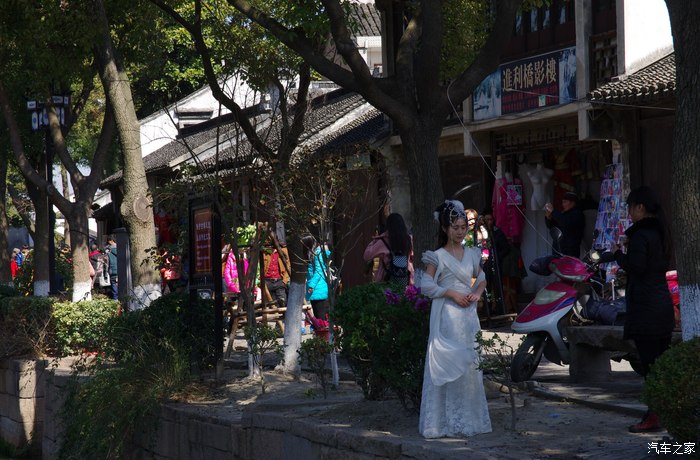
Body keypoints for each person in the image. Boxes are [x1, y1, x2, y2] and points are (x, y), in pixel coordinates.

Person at [418, 199, 491, 438]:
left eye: (463, 227)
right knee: (449, 361)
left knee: (469, 364)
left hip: (468, 316)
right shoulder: (437, 256)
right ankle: (442, 422)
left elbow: (482, 278)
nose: (460, 232)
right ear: (444, 228)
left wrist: (477, 293)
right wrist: (450, 293)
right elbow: (426, 285)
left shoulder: (471, 253)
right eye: (455, 227)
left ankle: (468, 420)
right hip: (447, 315)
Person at [612, 186, 674, 433]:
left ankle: (655, 415)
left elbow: (637, 267)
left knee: (651, 366)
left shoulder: (641, 235)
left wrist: (618, 256)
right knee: (659, 363)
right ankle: (663, 412)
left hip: (646, 308)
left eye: (630, 208)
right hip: (661, 304)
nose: (629, 213)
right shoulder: (661, 231)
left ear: (640, 207)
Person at [363, 213, 414, 285]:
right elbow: (412, 257)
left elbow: (367, 255)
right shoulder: (408, 239)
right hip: (406, 280)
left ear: (388, 226)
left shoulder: (383, 241)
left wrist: (375, 239)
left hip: (386, 281)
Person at [301, 234, 331, 323]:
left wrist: (311, 285)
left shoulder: (318, 253)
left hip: (318, 287)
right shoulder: (313, 253)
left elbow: (319, 271)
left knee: (321, 317)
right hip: (316, 289)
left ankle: (324, 332)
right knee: (319, 317)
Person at [544, 191, 585, 257]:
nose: (563, 205)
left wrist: (553, 212)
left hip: (570, 252)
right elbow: (551, 226)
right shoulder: (563, 214)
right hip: (557, 251)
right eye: (562, 202)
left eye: (565, 202)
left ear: (573, 203)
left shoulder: (578, 214)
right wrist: (548, 218)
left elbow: (566, 222)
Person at [261, 238, 290, 308]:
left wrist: (284, 280)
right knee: (271, 305)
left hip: (279, 280)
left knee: (283, 303)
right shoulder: (264, 252)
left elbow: (288, 265)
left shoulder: (283, 251)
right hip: (267, 281)